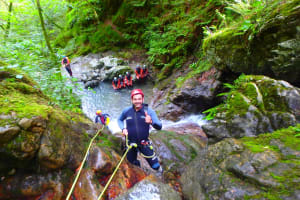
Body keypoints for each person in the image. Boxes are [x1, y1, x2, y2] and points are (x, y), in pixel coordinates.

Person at [118, 89, 163, 172]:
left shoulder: (149, 111)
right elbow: (119, 120)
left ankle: (161, 175)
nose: (137, 101)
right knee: (132, 162)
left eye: (139, 99)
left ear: (143, 99)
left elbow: (159, 127)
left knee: (155, 165)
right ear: (132, 100)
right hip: (131, 143)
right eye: (135, 99)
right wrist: (123, 128)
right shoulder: (127, 111)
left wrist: (151, 122)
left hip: (144, 143)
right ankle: (139, 171)